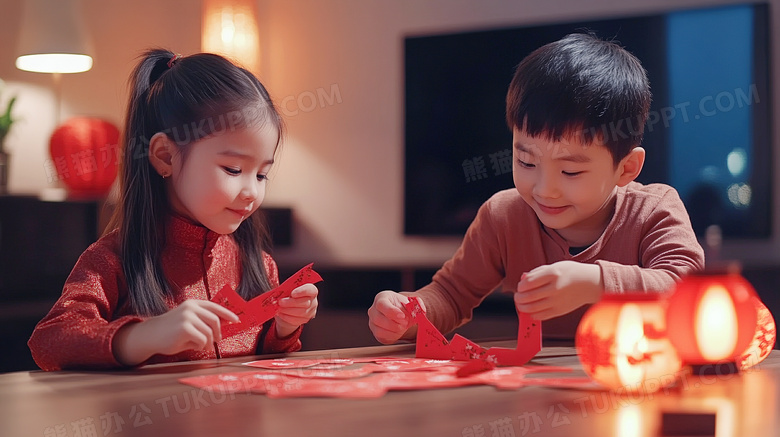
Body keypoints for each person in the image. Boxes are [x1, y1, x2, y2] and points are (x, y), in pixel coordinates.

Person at [368, 33, 705, 344]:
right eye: (526, 163)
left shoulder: (655, 209)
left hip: (639, 383)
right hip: (545, 392)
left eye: (571, 171)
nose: (545, 190)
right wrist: (407, 314)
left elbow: (687, 289)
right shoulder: (504, 216)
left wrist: (594, 283)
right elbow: (451, 294)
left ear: (626, 168)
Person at [28, 50, 318, 370]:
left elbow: (261, 366)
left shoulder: (258, 264)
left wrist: (284, 328)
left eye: (262, 174)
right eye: (233, 169)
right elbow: (49, 341)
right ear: (165, 156)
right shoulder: (114, 260)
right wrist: (143, 335)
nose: (252, 192)